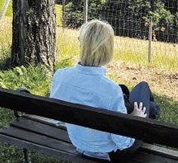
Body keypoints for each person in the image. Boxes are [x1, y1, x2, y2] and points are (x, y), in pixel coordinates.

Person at [50, 19, 160, 161]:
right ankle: (152, 115)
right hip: (110, 153)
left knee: (141, 93)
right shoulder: (110, 90)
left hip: (79, 143)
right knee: (146, 97)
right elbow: (123, 143)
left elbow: (56, 119)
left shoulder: (60, 76)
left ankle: (150, 112)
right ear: (108, 49)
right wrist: (135, 119)